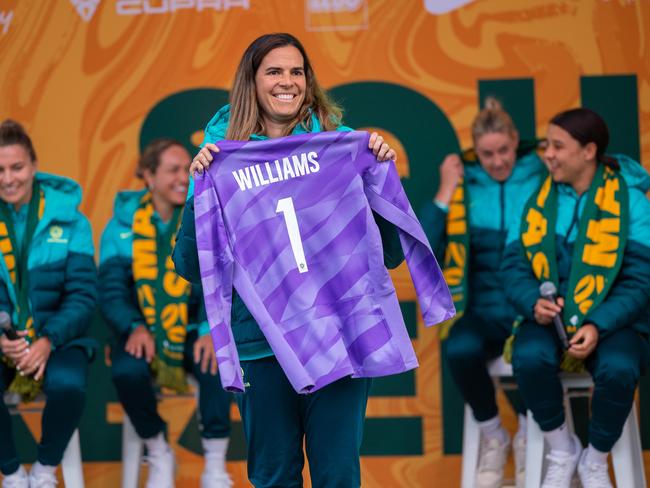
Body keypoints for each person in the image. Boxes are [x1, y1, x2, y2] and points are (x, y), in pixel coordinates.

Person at [173, 33, 403, 487]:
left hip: (337, 334)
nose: (287, 81)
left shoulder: (337, 148)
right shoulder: (220, 159)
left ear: (308, 80)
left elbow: (389, 254)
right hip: (260, 342)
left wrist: (380, 180)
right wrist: (199, 189)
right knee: (274, 477)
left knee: (337, 476)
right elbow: (188, 265)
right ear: (252, 82)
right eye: (274, 71)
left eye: (296, 71)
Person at [502, 108, 650, 488]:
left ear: (588, 151)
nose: (547, 154)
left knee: (619, 367)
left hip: (613, 320)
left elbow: (640, 279)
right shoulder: (536, 198)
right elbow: (513, 268)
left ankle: (596, 459)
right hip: (547, 318)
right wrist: (532, 301)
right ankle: (561, 447)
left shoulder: (631, 201)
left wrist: (598, 323)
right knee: (528, 357)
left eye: (557, 146)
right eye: (546, 145)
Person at [420, 98, 545, 488]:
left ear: (515, 141)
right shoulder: (466, 182)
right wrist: (445, 187)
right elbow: (424, 244)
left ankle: (530, 433)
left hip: (532, 311)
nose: (496, 161)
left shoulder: (542, 172)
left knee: (533, 355)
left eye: (504, 151)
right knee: (458, 347)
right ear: (477, 150)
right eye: (488, 153)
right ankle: (494, 433)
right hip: (484, 312)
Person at [98, 139, 233, 488]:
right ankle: (158, 451)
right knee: (127, 372)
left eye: (185, 168)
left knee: (216, 359)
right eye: (173, 170)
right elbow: (112, 291)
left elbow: (214, 279)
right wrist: (133, 327)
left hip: (189, 330)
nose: (183, 177)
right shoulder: (119, 227)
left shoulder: (200, 213)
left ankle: (215, 466)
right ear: (148, 176)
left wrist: (208, 328)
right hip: (141, 329)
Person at [0, 120, 97, 488]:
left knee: (69, 384)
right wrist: (3, 339)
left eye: (17, 167)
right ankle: (11, 473)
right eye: (0, 170)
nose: (8, 178)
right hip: (6, 339)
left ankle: (43, 471)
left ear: (34, 166)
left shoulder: (71, 220)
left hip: (58, 338)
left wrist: (46, 341)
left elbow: (83, 296)